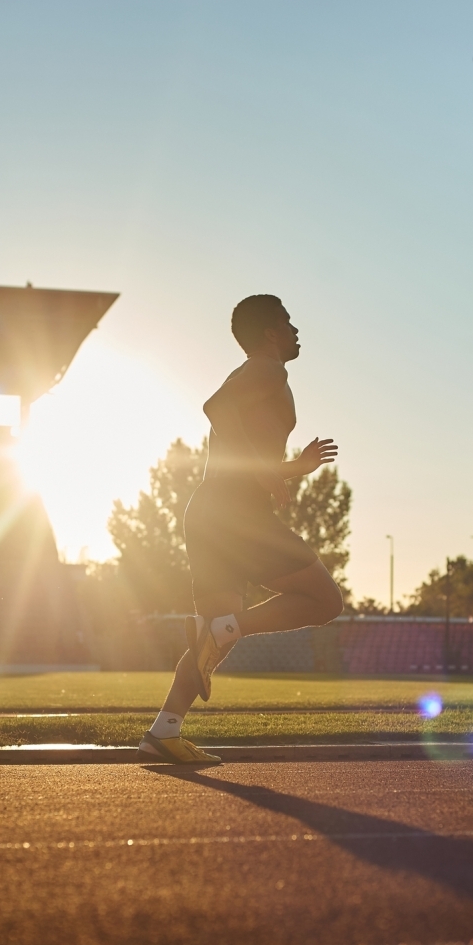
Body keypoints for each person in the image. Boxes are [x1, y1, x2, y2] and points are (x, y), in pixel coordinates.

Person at [139, 294, 343, 765]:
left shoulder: (255, 373)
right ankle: (229, 628)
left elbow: (246, 457)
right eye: (288, 323)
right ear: (271, 332)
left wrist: (293, 468)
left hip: (212, 511)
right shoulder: (268, 369)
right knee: (325, 601)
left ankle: (163, 731)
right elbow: (215, 409)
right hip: (239, 517)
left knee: (214, 638)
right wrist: (268, 469)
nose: (295, 331)